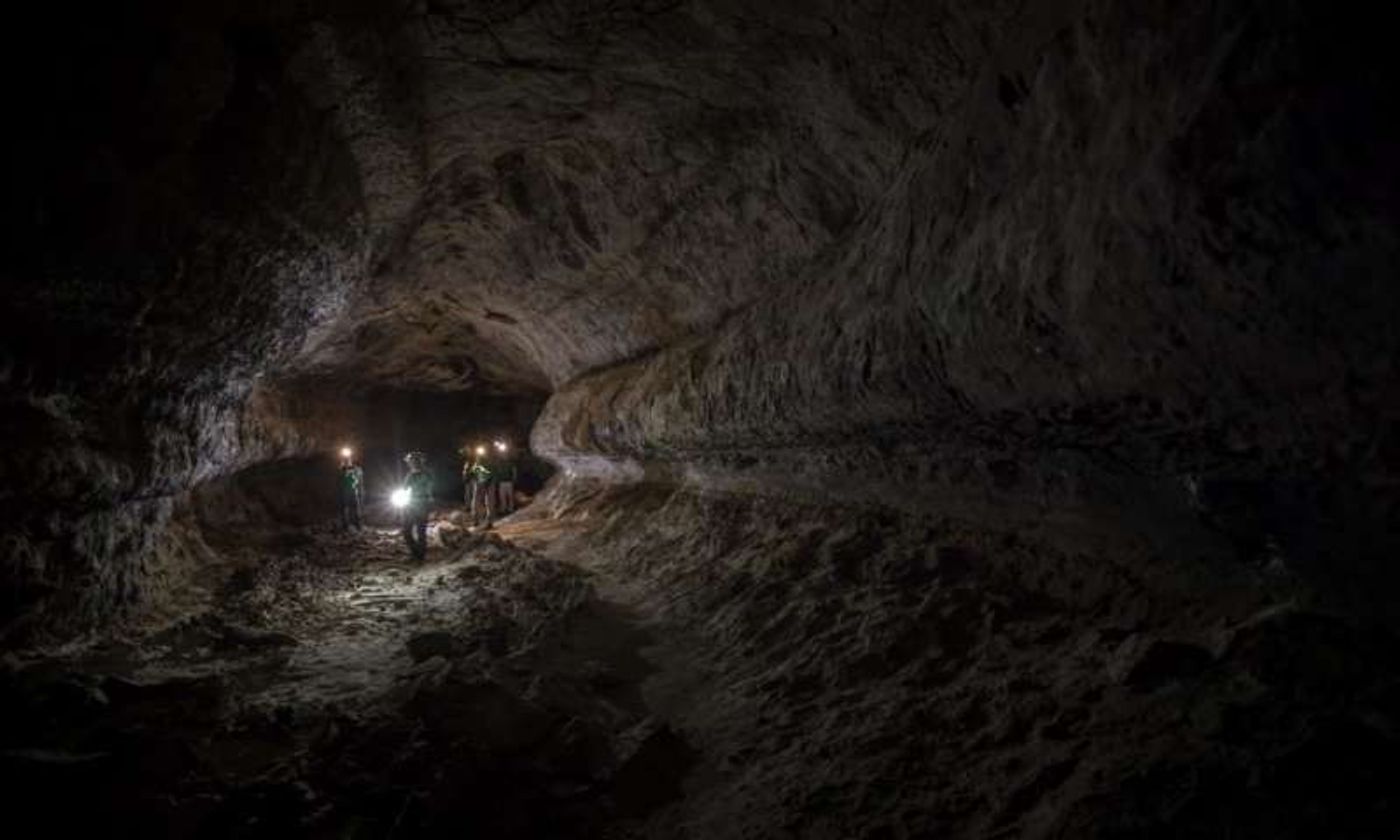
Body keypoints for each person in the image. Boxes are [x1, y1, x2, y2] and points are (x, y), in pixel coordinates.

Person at [400, 451, 432, 561]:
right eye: (410, 461)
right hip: (409, 505)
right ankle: (416, 552)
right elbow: (404, 488)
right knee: (406, 531)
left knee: (420, 532)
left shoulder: (425, 474)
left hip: (422, 505)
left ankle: (420, 556)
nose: (410, 463)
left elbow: (427, 487)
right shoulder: (410, 474)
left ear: (418, 461)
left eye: (412, 461)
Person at [468, 445, 496, 527]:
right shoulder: (478, 462)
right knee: (476, 502)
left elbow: (494, 471)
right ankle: (476, 520)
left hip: (488, 483)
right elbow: (472, 472)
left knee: (489, 502)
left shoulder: (490, 462)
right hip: (480, 483)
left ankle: (488, 521)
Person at [338, 449, 364, 530]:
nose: (347, 460)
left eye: (348, 458)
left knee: (356, 508)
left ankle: (358, 525)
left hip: (354, 491)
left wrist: (361, 491)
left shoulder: (357, 469)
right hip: (344, 492)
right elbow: (339, 480)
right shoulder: (341, 469)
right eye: (346, 458)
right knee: (345, 509)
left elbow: (360, 480)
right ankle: (345, 525)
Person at [493, 439, 518, 515]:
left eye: (505, 455)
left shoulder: (510, 462)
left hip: (508, 481)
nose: (504, 456)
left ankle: (510, 508)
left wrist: (514, 478)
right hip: (502, 482)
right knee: (502, 497)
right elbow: (496, 471)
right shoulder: (499, 463)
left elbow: (514, 470)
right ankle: (504, 509)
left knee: (509, 496)